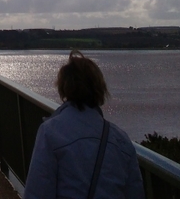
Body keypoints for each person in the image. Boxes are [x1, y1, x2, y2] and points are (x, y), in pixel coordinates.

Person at [24, 50, 144, 199]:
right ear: (99, 88)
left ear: (64, 88)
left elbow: (38, 192)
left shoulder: (50, 132)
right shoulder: (121, 140)